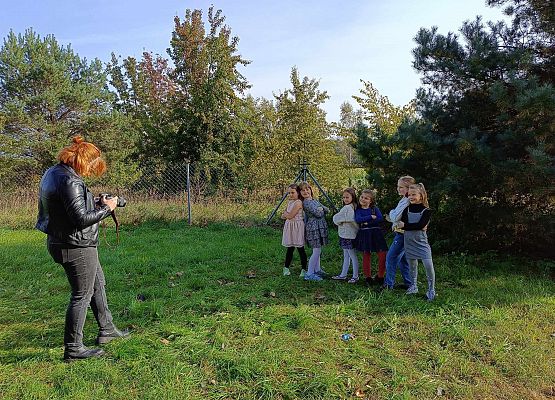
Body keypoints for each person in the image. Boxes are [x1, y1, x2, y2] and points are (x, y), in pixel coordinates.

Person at [36, 136, 129, 361]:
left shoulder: (53, 173)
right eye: (92, 166)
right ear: (84, 162)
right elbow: (80, 219)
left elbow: (68, 208)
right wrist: (108, 208)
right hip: (76, 246)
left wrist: (95, 202)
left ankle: (106, 330)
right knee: (82, 295)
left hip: (64, 241)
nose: (92, 171)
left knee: (98, 284)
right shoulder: (71, 181)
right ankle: (73, 349)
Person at [397, 183, 436, 301]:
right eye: (409, 195)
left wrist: (406, 226)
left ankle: (431, 289)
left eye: (414, 194)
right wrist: (405, 226)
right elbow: (402, 224)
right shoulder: (406, 209)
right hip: (409, 242)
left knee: (428, 266)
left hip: (422, 243)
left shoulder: (426, 211)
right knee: (412, 266)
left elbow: (420, 225)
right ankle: (414, 286)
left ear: (421, 195)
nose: (411, 197)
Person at [382, 176, 415, 290]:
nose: (398, 189)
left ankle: (388, 284)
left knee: (391, 257)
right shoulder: (404, 199)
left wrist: (392, 213)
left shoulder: (406, 201)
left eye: (401, 187)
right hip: (403, 233)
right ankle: (409, 283)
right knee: (403, 260)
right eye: (398, 186)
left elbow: (395, 216)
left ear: (408, 188)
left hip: (402, 234)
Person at [355, 189, 388, 286]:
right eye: (362, 197)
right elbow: (358, 219)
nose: (363, 199)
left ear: (371, 201)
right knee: (366, 254)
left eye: (366, 198)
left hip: (376, 233)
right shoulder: (358, 210)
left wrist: (366, 222)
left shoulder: (374, 209)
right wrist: (370, 217)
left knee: (382, 253)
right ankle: (368, 277)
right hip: (365, 234)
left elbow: (380, 219)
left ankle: (380, 276)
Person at [299, 181, 329, 282]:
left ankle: (317, 269)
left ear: (310, 190)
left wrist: (321, 208)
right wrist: (321, 209)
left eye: (307, 189)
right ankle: (309, 273)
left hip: (319, 226)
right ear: (300, 193)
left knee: (318, 249)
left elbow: (327, 209)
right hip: (313, 227)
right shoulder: (306, 203)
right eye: (302, 190)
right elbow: (318, 213)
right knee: (316, 250)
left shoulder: (314, 200)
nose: (305, 191)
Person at [332, 188, 360, 283]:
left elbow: (338, 218)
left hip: (348, 235)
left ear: (353, 197)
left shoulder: (348, 208)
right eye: (344, 197)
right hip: (346, 234)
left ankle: (355, 276)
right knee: (347, 255)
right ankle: (343, 274)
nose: (345, 199)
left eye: (347, 197)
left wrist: (337, 219)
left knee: (351, 255)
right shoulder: (352, 207)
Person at [281, 184, 307, 276]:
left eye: (293, 192)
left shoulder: (298, 202)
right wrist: (286, 214)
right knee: (290, 248)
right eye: (289, 193)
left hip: (297, 226)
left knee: (300, 248)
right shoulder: (290, 202)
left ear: (298, 192)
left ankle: (304, 269)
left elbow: (290, 215)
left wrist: (286, 214)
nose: (290, 195)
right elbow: (283, 216)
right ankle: (286, 268)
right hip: (290, 226)